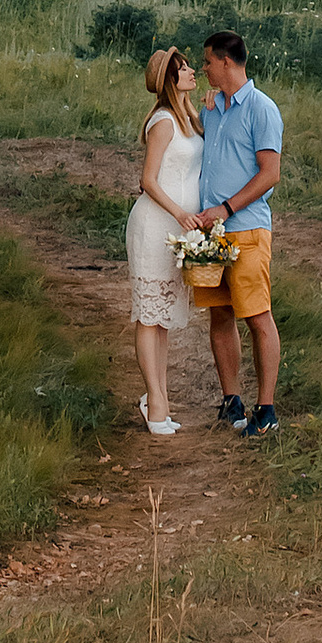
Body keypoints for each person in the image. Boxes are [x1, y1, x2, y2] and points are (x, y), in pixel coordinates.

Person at [195, 27, 283, 437]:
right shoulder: (213, 108)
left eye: (207, 61)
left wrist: (226, 208)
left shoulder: (262, 109)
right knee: (220, 313)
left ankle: (266, 410)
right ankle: (232, 401)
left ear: (225, 61)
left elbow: (270, 174)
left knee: (257, 315)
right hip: (212, 234)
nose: (204, 68)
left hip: (246, 229)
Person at [124, 43, 204, 433]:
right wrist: (180, 214)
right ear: (172, 79)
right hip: (156, 226)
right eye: (185, 68)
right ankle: (155, 401)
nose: (192, 71)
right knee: (149, 314)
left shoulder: (186, 118)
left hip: (178, 231)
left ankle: (158, 397)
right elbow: (148, 180)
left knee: (164, 318)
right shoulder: (163, 122)